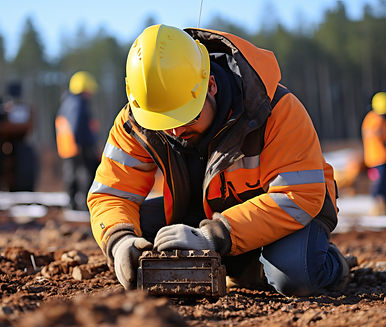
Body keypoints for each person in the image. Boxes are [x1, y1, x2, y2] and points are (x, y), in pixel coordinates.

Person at [87, 25, 350, 297]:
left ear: (210, 85)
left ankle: (328, 265)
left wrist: (215, 235)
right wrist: (119, 241)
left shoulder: (274, 109)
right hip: (208, 214)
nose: (175, 131)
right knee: (135, 229)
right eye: (162, 123)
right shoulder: (138, 121)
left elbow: (299, 196)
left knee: (293, 276)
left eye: (185, 116)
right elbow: (110, 194)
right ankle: (241, 265)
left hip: (294, 211)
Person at [56, 71, 100, 210]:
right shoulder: (78, 104)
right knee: (86, 174)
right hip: (80, 145)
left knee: (71, 175)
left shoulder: (66, 102)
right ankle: (85, 205)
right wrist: (82, 143)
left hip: (68, 147)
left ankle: (72, 204)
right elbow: (76, 125)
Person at [361, 92, 386, 215]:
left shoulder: (373, 118)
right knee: (380, 182)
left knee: (382, 181)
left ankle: (381, 205)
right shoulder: (376, 120)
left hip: (377, 157)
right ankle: (378, 205)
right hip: (378, 158)